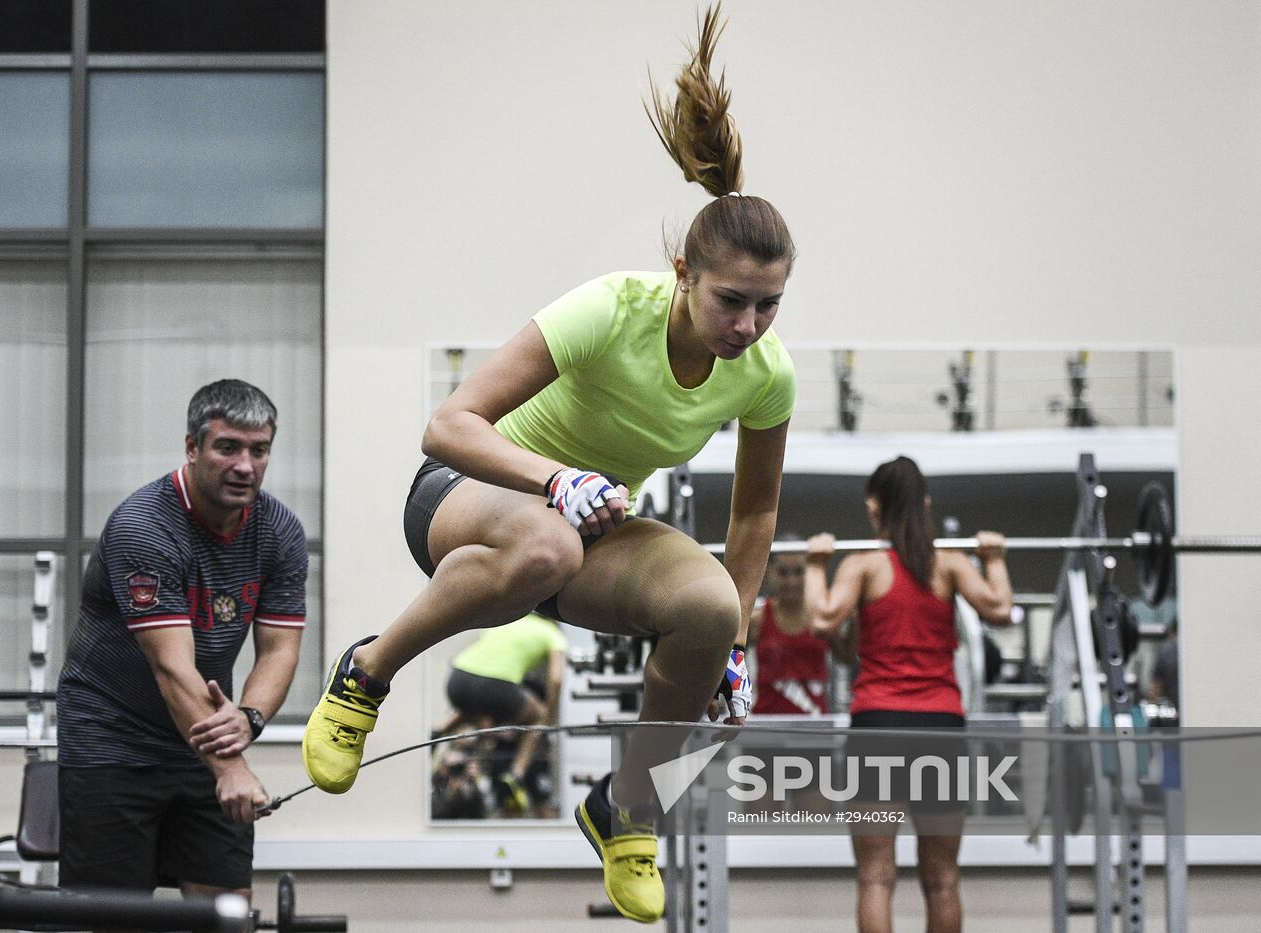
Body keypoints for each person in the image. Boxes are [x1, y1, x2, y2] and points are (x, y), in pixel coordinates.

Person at [301, 5, 796, 922]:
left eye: (768, 306)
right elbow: (448, 425)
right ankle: (367, 670)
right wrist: (555, 479)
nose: (748, 325)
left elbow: (756, 517)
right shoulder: (609, 310)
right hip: (469, 496)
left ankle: (628, 808)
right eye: (732, 300)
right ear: (682, 272)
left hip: (590, 529)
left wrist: (730, 645)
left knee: (709, 606)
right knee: (547, 543)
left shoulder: (766, 373)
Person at [57, 379, 308, 904]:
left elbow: (279, 649)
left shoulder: (279, 530)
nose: (245, 466)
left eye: (259, 451)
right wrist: (231, 767)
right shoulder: (145, 527)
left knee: (225, 910)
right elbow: (171, 668)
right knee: (113, 917)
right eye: (227, 448)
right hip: (112, 740)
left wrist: (249, 719)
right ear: (192, 447)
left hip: (203, 736)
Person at [804, 456, 1013, 933]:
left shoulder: (863, 566)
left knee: (875, 876)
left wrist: (816, 564)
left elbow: (821, 618)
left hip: (879, 726)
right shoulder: (950, 563)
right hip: (940, 727)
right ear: (926, 504)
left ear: (873, 507)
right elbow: (1001, 608)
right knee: (942, 879)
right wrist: (994, 558)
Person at [441, 613, 568, 815]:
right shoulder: (553, 633)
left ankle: (439, 732)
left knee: (476, 706)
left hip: (457, 681)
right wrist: (550, 716)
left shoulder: (508, 620)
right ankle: (516, 774)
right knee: (539, 715)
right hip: (495, 684)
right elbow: (556, 678)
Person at [749, 542, 856, 716]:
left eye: (798, 572)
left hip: (814, 721)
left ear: (808, 573)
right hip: (767, 722)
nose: (791, 581)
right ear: (769, 572)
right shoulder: (758, 620)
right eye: (783, 573)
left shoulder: (821, 615)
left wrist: (856, 617)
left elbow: (846, 657)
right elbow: (729, 659)